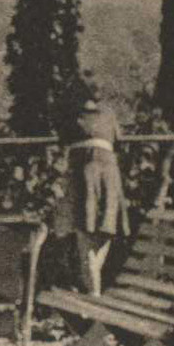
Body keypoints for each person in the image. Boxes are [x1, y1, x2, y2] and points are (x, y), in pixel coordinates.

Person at [57, 75, 128, 293]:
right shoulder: (108, 114)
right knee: (104, 227)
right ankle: (94, 283)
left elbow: (63, 144)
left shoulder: (72, 117)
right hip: (107, 172)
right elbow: (120, 141)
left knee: (85, 231)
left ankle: (93, 289)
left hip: (85, 174)